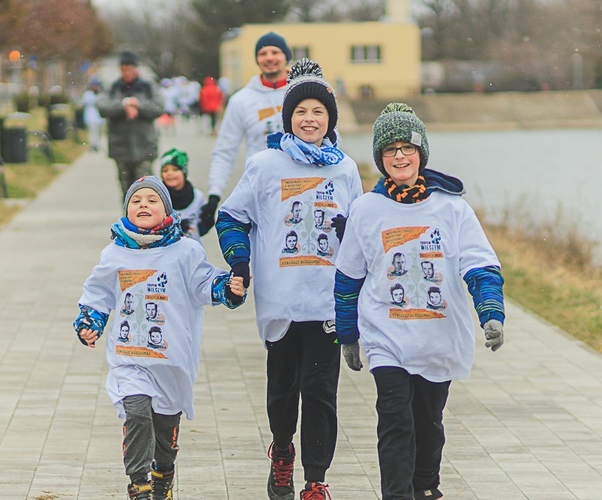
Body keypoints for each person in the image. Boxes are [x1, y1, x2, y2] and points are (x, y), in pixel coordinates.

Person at [333, 103, 505, 500]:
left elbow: (481, 267)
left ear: (421, 154)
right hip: (386, 336)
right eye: (389, 150)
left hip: (437, 337)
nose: (399, 156)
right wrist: (347, 334)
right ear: (380, 158)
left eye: (406, 148)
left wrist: (491, 313)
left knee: (428, 425)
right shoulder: (366, 210)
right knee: (395, 421)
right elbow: (347, 278)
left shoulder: (452, 208)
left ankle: (426, 488)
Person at [216, 59, 363, 500]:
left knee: (321, 393)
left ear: (329, 119)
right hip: (280, 301)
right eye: (301, 112)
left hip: (326, 302)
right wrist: (239, 264)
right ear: (288, 118)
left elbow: (362, 232)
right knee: (283, 390)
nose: (310, 119)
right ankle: (282, 453)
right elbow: (230, 217)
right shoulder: (265, 165)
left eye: (318, 112)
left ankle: (315, 480)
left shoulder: (345, 170)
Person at [74, 176, 247, 500]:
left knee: (165, 432)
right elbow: (98, 294)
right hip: (129, 357)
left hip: (170, 359)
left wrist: (228, 288)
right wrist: (90, 322)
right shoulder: (114, 254)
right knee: (136, 412)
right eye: (136, 201)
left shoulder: (185, 251)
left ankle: (162, 477)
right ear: (126, 210)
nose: (143, 205)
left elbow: (205, 284)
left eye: (152, 200)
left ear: (167, 210)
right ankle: (138, 484)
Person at [199, 32, 293, 232]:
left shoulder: (305, 91)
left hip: (301, 186)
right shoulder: (242, 100)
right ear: (257, 59)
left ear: (286, 56)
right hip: (261, 190)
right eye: (263, 53)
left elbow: (332, 140)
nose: (269, 57)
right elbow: (224, 151)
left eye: (275, 52)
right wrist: (214, 196)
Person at [97, 51, 165, 195]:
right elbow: (102, 106)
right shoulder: (113, 87)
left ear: (135, 68)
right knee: (127, 190)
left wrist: (138, 105)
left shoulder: (147, 87)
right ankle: (128, 217)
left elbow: (159, 107)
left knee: (145, 189)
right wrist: (123, 105)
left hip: (144, 145)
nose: (126, 73)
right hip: (121, 147)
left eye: (128, 69)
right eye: (123, 69)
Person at [159, 148, 209, 243]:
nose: (170, 173)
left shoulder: (198, 197)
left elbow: (203, 227)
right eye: (165, 170)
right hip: (167, 250)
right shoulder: (157, 197)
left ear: (184, 172)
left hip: (193, 250)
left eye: (175, 169)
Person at [81, 77, 104, 151]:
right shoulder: (88, 94)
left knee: (99, 132)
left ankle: (97, 144)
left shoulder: (100, 94)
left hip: (99, 118)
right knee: (92, 132)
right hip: (90, 117)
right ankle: (93, 145)